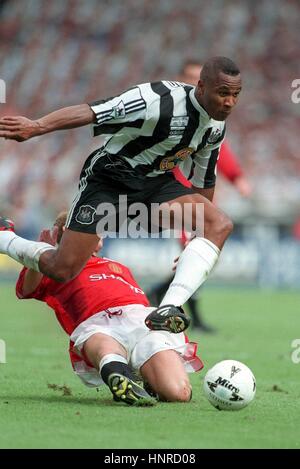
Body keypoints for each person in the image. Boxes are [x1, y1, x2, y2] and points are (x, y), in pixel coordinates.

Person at [0, 56, 242, 331]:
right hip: (110, 180)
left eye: (235, 94)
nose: (229, 102)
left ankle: (168, 308)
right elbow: (93, 110)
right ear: (201, 87)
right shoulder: (156, 99)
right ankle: (5, 238)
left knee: (219, 223)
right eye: (223, 93)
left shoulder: (215, 127)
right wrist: (38, 126)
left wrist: (196, 232)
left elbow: (203, 182)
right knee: (62, 268)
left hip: (155, 186)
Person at [5, 212, 203, 406]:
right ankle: (117, 373)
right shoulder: (55, 265)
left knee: (179, 393)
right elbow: (26, 289)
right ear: (70, 231)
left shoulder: (117, 265)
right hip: (98, 324)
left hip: (142, 319)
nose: (102, 233)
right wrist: (40, 253)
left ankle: (144, 378)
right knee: (104, 344)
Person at [147, 60, 252, 333]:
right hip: (172, 194)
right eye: (191, 77)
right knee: (195, 254)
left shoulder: (210, 118)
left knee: (198, 255)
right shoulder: (169, 108)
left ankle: (160, 299)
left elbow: (220, 151)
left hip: (197, 194)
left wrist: (236, 177)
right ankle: (172, 307)